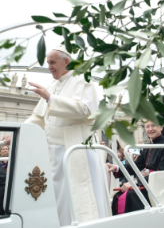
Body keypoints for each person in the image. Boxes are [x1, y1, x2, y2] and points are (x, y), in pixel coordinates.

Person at [24, 46, 110, 225]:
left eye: (52, 62)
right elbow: (38, 117)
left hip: (76, 150)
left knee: (77, 203)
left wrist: (50, 99)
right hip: (52, 153)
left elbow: (84, 110)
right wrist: (19, 131)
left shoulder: (83, 80)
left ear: (67, 61)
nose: (49, 66)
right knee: (57, 201)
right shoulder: (53, 86)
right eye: (48, 63)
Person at [107, 120, 164, 215]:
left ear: (161, 127)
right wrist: (117, 167)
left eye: (153, 125)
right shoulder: (148, 146)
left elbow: (161, 175)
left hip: (161, 186)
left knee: (129, 195)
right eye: (147, 126)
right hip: (150, 183)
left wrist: (134, 183)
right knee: (118, 196)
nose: (150, 129)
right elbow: (136, 166)